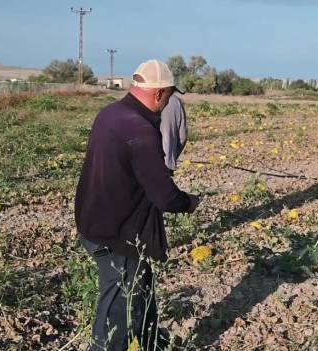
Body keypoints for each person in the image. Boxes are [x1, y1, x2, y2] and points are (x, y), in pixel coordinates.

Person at [74, 59, 200, 351]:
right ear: (159, 94)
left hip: (95, 221)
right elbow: (164, 195)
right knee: (120, 307)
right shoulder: (140, 130)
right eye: (169, 96)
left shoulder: (110, 114)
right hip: (119, 234)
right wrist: (189, 202)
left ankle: (152, 343)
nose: (169, 102)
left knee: (140, 291)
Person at [160, 94, 188, 174]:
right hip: (167, 163)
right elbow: (183, 136)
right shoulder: (176, 101)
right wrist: (172, 156)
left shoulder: (139, 99)